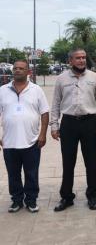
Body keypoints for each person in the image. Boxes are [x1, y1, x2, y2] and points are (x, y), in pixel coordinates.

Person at [50, 48, 96, 212]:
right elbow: (55, 103)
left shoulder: (94, 77)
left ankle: (92, 195)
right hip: (68, 124)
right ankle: (67, 197)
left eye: (83, 57)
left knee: (91, 161)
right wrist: (54, 125)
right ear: (70, 61)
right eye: (78, 58)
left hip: (89, 123)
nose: (82, 60)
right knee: (68, 162)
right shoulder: (61, 79)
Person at [0, 60, 49, 213]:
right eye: (15, 68)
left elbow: (45, 113)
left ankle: (31, 200)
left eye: (22, 68)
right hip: (9, 142)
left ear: (28, 72)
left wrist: (42, 134)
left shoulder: (36, 90)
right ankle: (16, 201)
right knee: (13, 174)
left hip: (32, 141)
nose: (18, 70)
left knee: (31, 174)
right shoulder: (2, 90)